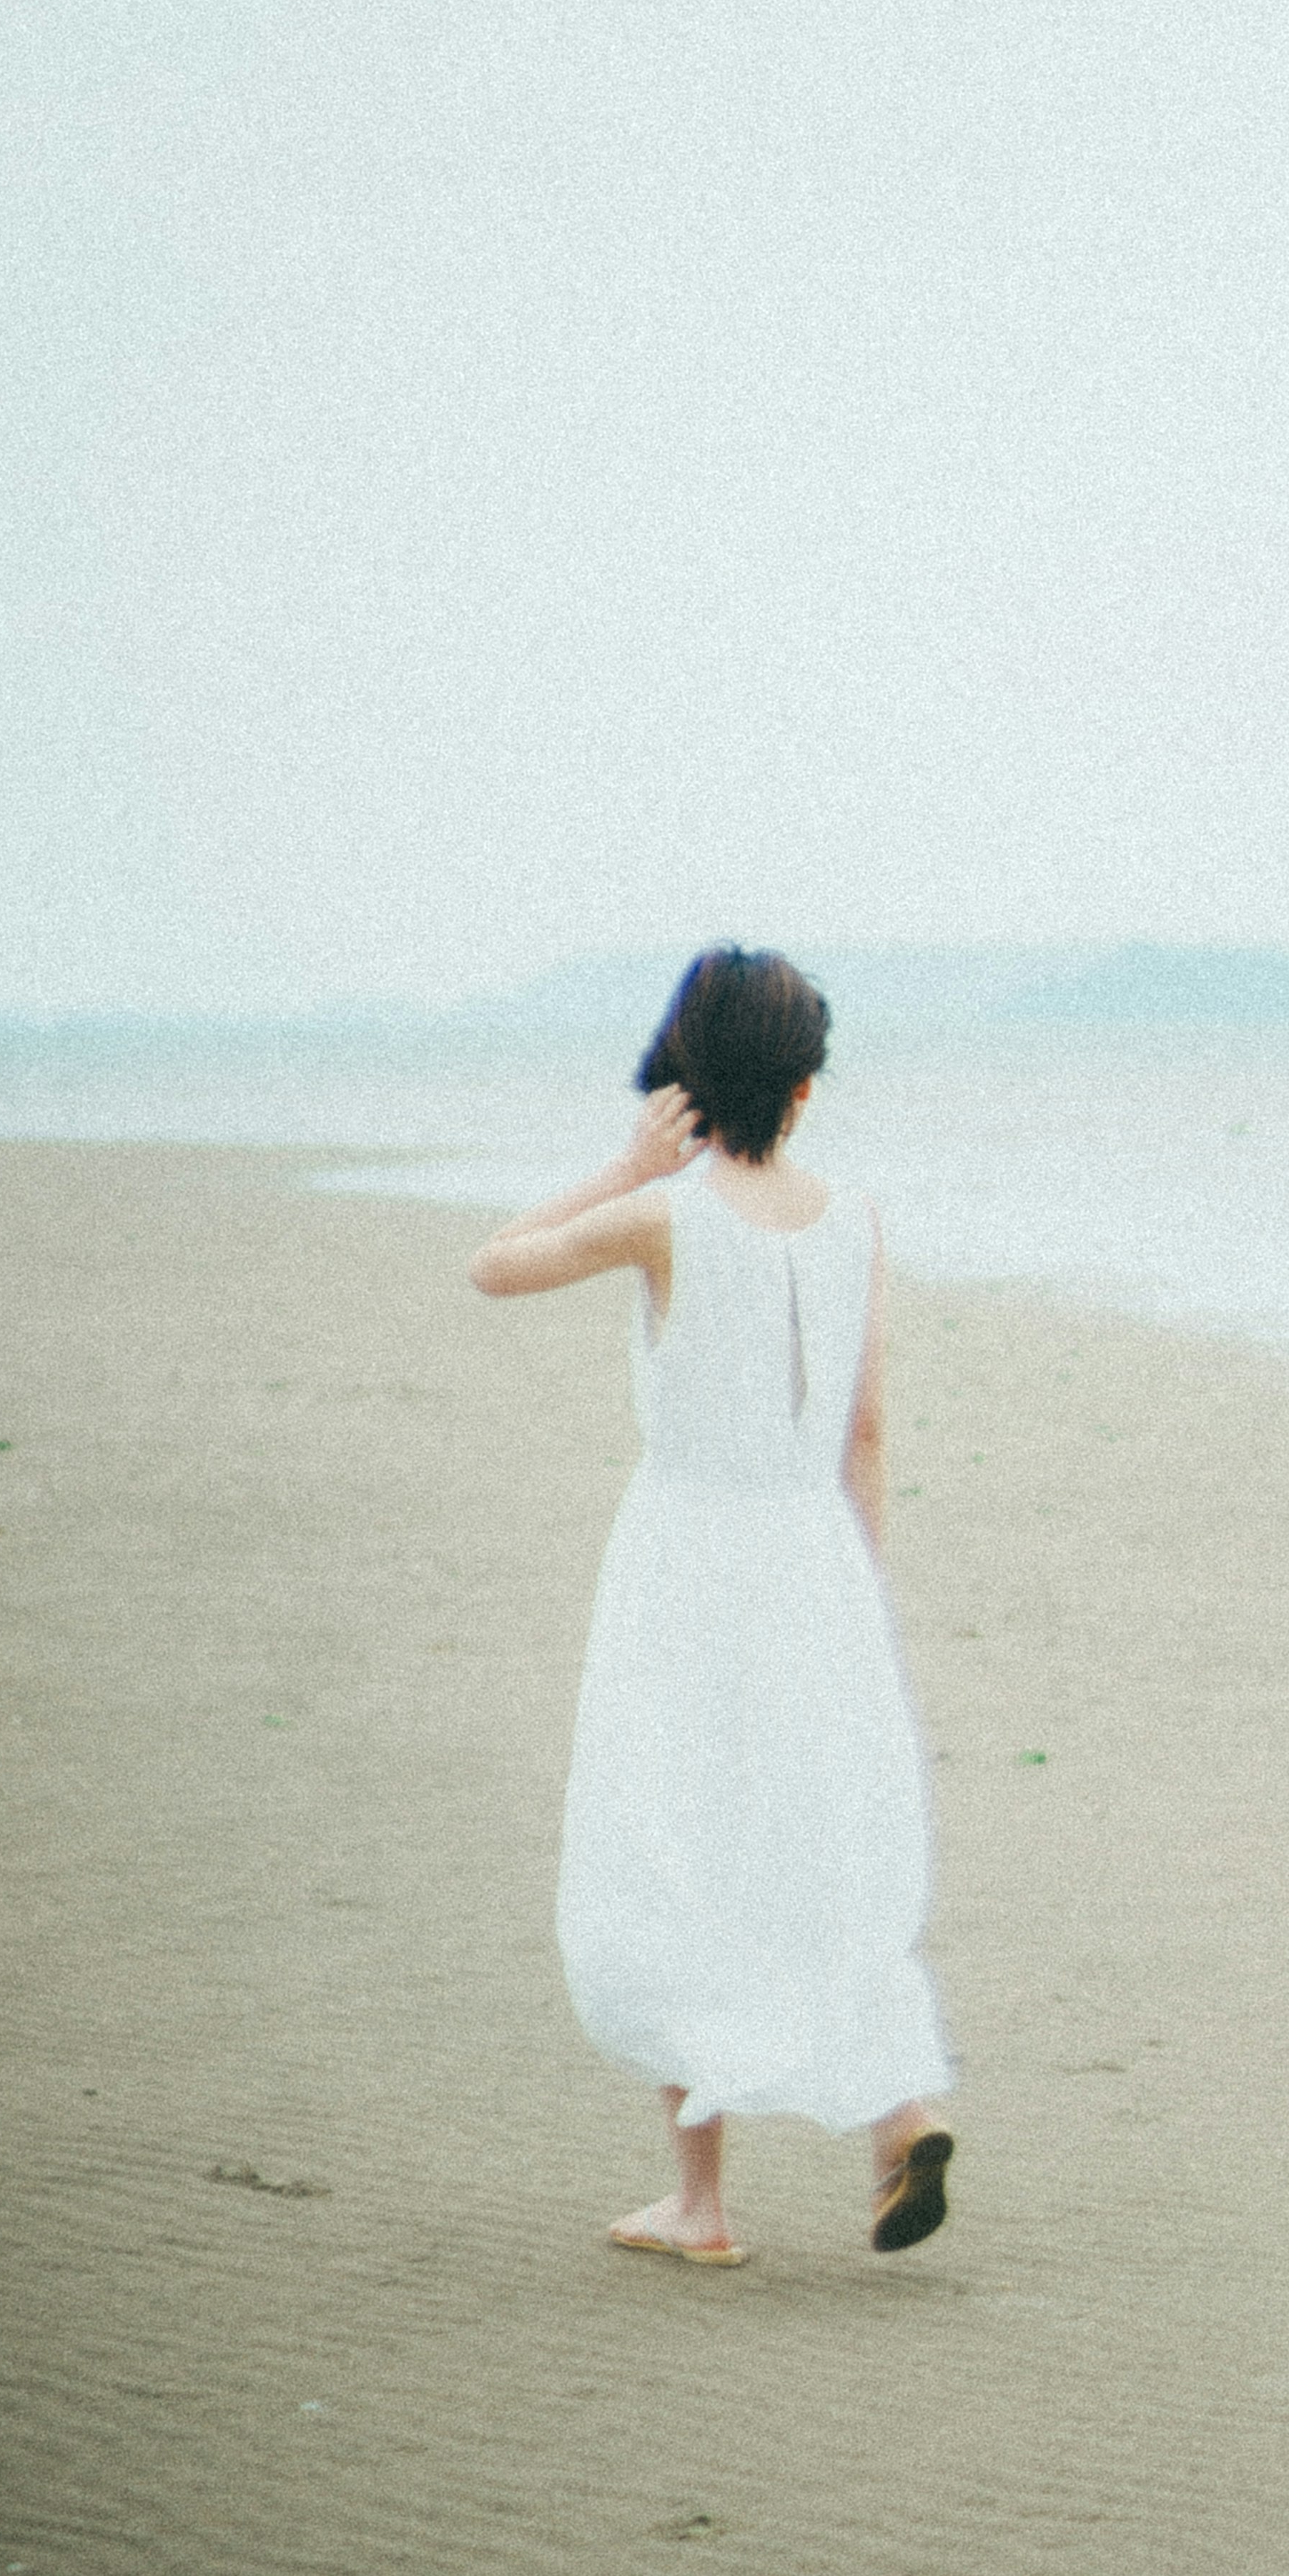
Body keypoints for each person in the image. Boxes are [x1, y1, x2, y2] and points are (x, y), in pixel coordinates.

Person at [470, 945, 956, 2266]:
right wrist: (864, 1586)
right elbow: (863, 1428)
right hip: (816, 1564)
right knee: (820, 1843)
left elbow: (496, 1265)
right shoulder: (855, 1220)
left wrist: (631, 1165)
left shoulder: (665, 1216)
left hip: (687, 1561)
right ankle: (896, 2116)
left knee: (674, 1842)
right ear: (804, 1088)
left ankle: (702, 2201)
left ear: (691, 1079)